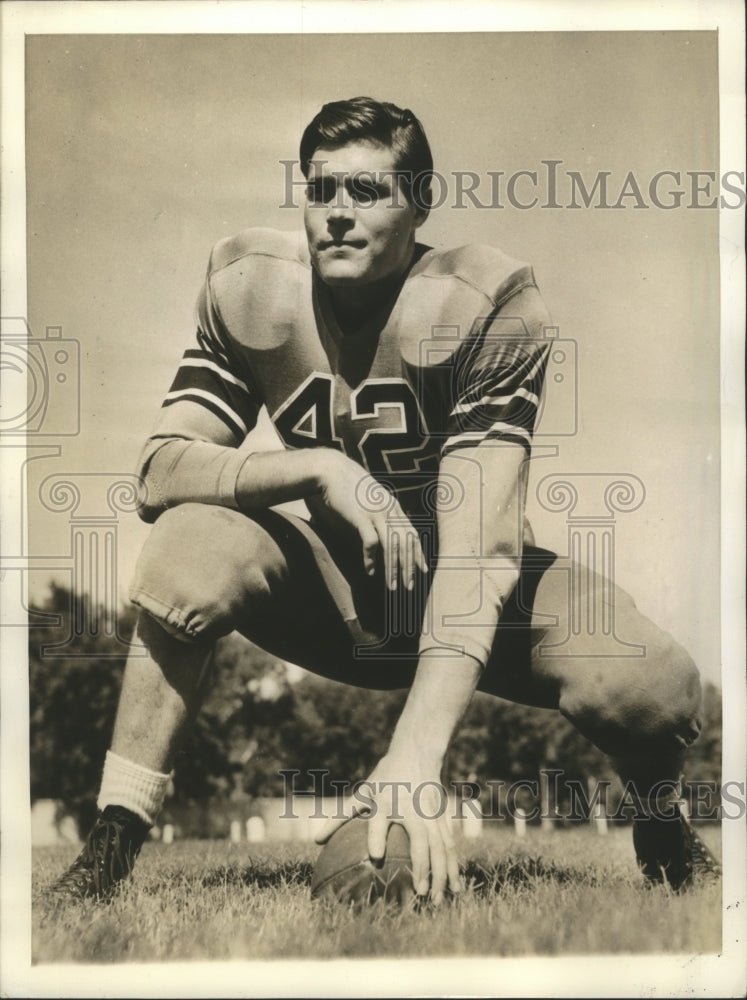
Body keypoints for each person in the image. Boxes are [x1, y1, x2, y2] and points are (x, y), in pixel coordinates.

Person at [50, 96, 719, 904]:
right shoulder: (252, 291)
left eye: (366, 193)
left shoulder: (482, 306)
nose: (336, 214)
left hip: (473, 597)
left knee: (646, 683)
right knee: (187, 546)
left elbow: (479, 553)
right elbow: (159, 469)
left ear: (421, 203)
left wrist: (411, 759)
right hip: (336, 589)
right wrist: (319, 469)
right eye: (320, 189)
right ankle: (113, 840)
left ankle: (659, 818)